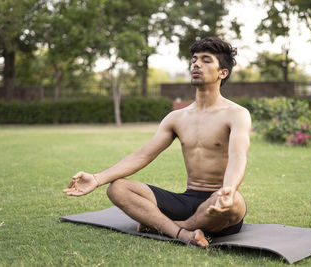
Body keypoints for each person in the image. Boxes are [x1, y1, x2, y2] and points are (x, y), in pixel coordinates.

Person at [63, 37, 252, 247]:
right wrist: (98, 179)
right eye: (194, 60)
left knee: (235, 202)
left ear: (222, 72)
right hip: (187, 198)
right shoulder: (177, 118)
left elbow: (238, 156)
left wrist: (228, 189)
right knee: (117, 188)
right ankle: (182, 234)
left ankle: (169, 226)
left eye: (206, 60)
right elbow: (142, 155)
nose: (196, 64)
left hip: (219, 202)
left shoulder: (236, 114)